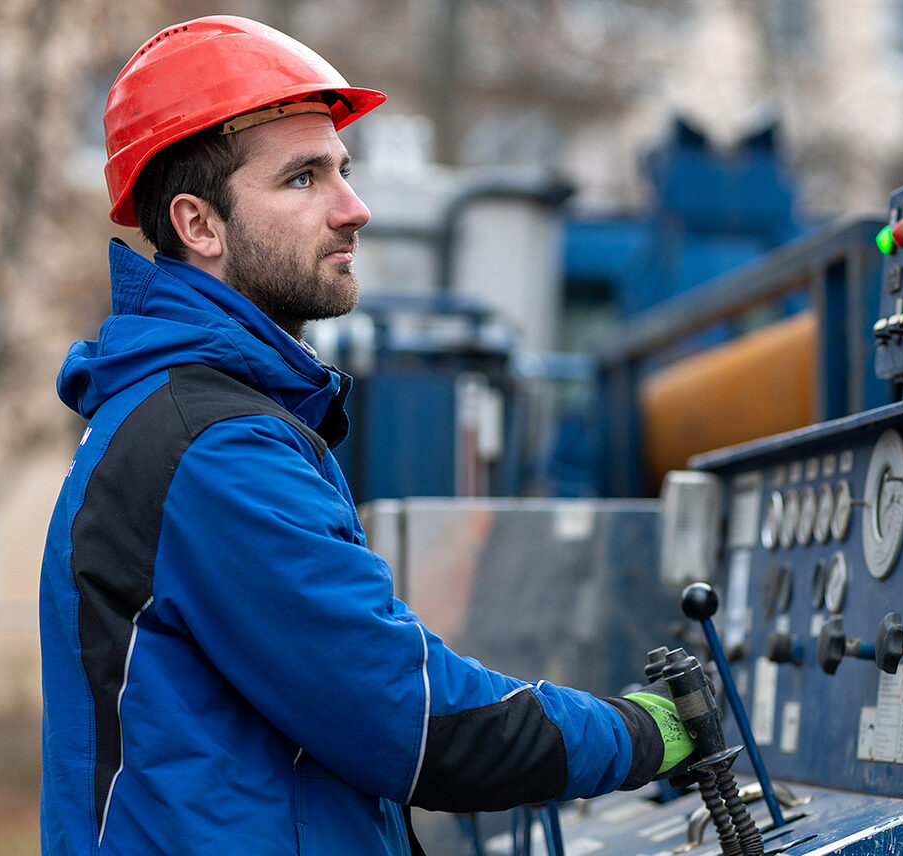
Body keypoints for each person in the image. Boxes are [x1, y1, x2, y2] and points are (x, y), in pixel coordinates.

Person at [38, 16, 693, 855]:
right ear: (199, 225)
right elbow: (418, 720)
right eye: (304, 179)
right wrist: (646, 733)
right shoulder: (211, 448)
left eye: (343, 170)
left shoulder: (197, 417)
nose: (355, 209)